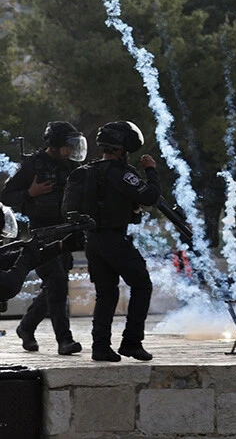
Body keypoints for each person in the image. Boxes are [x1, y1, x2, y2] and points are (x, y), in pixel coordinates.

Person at [62, 121, 160, 362]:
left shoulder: (89, 171)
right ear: (122, 147)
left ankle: (101, 347)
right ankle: (132, 343)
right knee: (142, 285)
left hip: (92, 241)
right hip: (113, 239)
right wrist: (151, 170)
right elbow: (150, 196)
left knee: (106, 294)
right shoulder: (120, 172)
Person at [1, 121, 88, 355]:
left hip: (65, 230)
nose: (71, 151)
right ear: (56, 145)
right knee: (57, 282)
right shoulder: (32, 165)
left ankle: (26, 327)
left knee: (54, 285)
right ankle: (64, 341)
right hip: (41, 232)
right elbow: (6, 196)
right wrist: (30, 193)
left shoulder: (69, 166)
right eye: (67, 146)